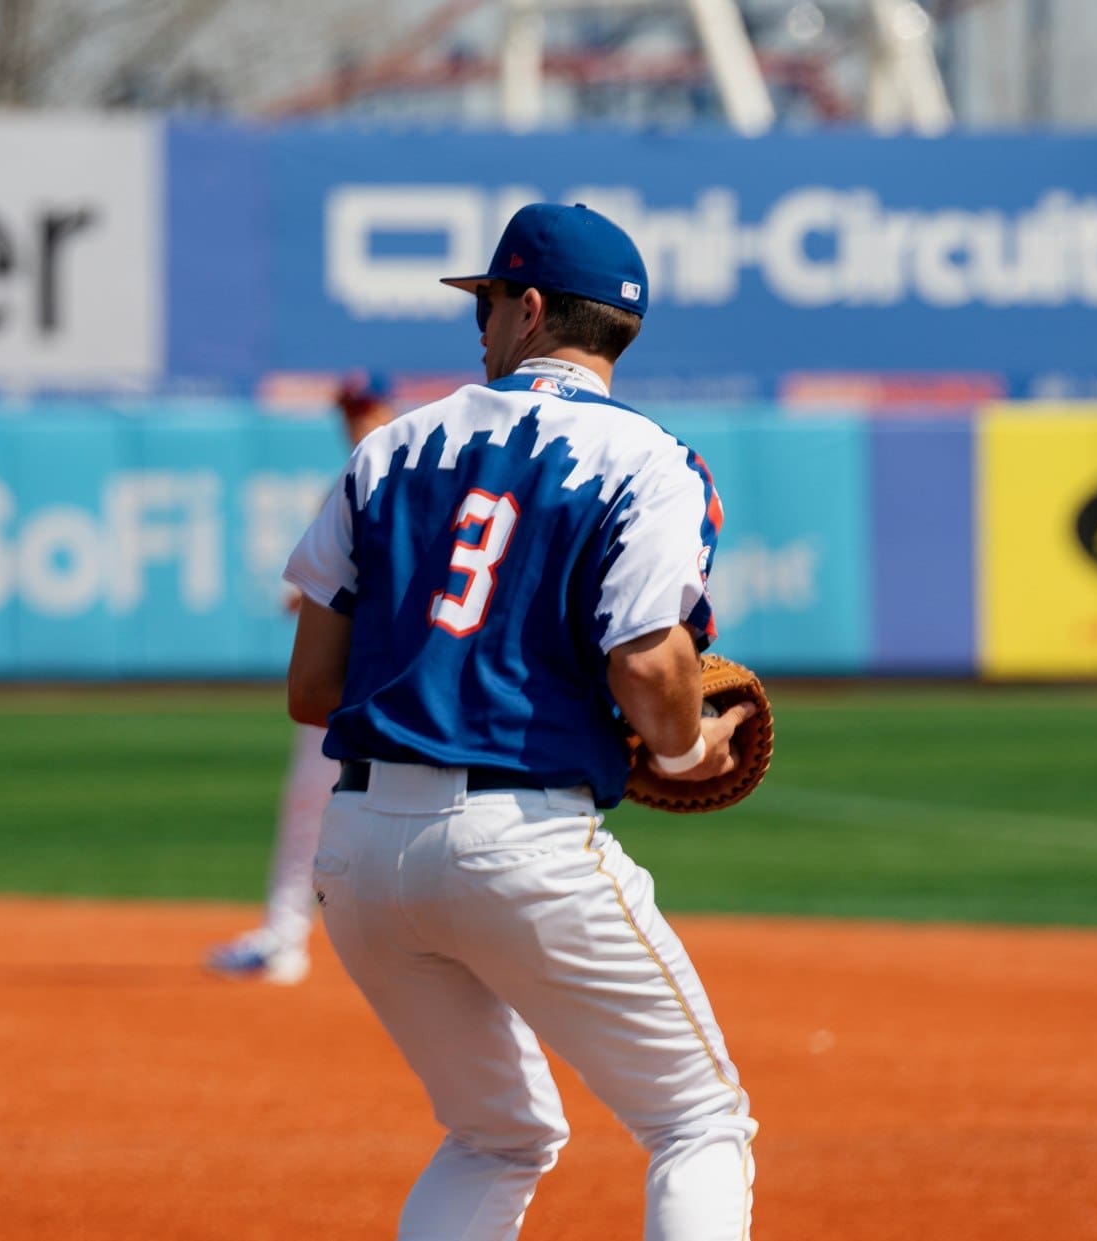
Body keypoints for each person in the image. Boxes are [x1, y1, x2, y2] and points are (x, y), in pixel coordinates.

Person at [282, 203, 759, 1241]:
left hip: (360, 853)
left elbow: (314, 687)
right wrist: (680, 746)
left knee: (496, 1134)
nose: (481, 321)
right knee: (698, 1119)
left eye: (489, 300)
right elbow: (646, 657)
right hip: (521, 843)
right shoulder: (653, 462)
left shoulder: (390, 447)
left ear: (531, 309)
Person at [205, 372, 399, 985]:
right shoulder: (382, 475)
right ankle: (288, 937)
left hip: (361, 679)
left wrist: (304, 600)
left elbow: (329, 588)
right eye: (348, 411)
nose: (355, 420)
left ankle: (289, 938)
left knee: (328, 810)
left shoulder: (371, 478)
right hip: (386, 680)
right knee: (327, 811)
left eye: (365, 408)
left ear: (390, 407)